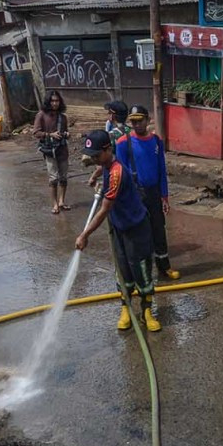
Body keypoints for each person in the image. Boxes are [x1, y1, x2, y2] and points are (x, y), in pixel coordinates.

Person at [74, 129, 161, 333]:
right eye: (92, 156)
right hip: (118, 227)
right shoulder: (105, 164)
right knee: (122, 269)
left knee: (141, 269)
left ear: (107, 149)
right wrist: (94, 176)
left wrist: (84, 235)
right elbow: (101, 167)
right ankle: (126, 308)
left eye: (97, 155)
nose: (94, 159)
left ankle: (147, 311)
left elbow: (104, 209)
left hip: (136, 227)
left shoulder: (117, 173)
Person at [116, 105, 179, 280]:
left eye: (140, 121)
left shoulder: (156, 141)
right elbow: (120, 172)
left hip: (154, 193)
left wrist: (164, 196)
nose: (136, 125)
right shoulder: (123, 142)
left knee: (159, 230)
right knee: (139, 233)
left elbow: (161, 169)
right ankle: (142, 272)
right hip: (135, 194)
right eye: (133, 121)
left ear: (148, 120)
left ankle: (164, 267)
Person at [33, 89, 71, 214]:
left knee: (64, 178)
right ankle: (54, 204)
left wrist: (66, 134)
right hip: (49, 151)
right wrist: (50, 135)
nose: (55, 103)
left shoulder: (63, 117)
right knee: (53, 178)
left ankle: (62, 201)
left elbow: (65, 132)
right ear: (48, 102)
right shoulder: (41, 115)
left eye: (57, 101)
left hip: (62, 150)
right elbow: (36, 133)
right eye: (53, 101)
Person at [89, 100, 130, 189]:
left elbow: (103, 161)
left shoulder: (111, 136)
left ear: (113, 116)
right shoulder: (130, 131)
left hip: (118, 175)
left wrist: (94, 176)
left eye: (109, 113)